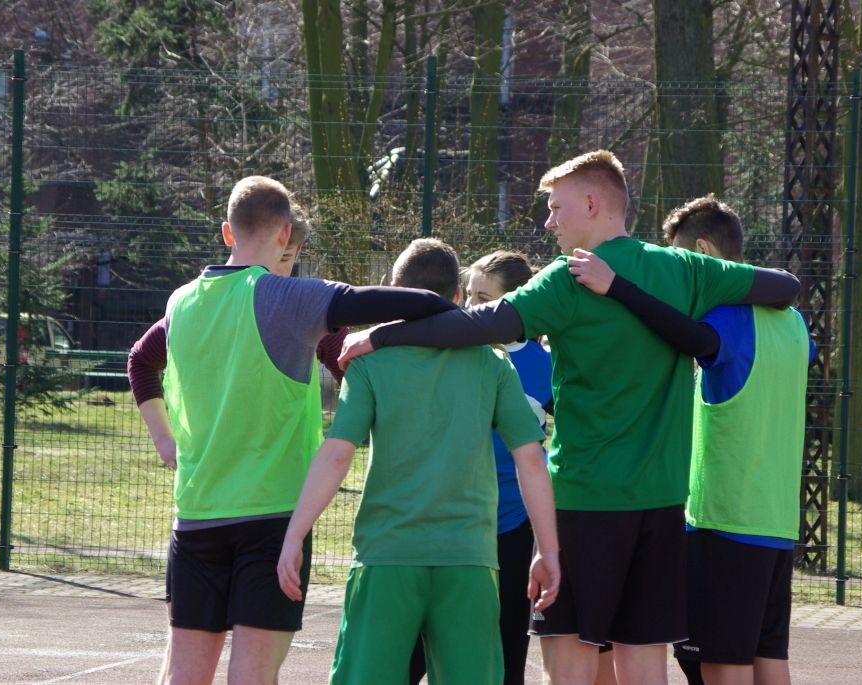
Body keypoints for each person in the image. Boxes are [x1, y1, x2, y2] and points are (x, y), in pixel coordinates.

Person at [337, 150, 801, 685]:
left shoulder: (568, 276)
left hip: (585, 498)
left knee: (570, 659)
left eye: (556, 208)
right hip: (662, 500)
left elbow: (480, 324)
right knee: (644, 661)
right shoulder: (685, 268)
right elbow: (785, 287)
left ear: (592, 203)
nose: (548, 222)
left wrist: (384, 334)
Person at [126, 177, 458, 685]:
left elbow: (139, 360)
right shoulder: (289, 297)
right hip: (273, 520)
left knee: (182, 677)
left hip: (195, 516)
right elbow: (393, 303)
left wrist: (164, 439)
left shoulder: (180, 303)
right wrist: (450, 311)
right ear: (286, 234)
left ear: (227, 232)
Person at [277, 238, 561, 685]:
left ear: (393, 292)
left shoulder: (368, 362)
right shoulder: (494, 364)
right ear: (457, 297)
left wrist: (295, 534)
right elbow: (531, 460)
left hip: (387, 556)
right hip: (469, 558)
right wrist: (547, 549)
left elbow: (336, 454)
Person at [568, 195, 812, 685]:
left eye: (680, 260)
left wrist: (617, 288)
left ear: (702, 251)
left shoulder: (730, 315)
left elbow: (686, 336)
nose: (678, 274)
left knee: (720, 663)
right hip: (777, 522)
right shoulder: (794, 323)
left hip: (725, 520)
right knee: (768, 658)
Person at [406, 250, 555, 685]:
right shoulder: (450, 348)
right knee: (415, 650)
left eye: (485, 298)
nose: (473, 307)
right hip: (449, 522)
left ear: (515, 304)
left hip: (512, 525)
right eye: (469, 295)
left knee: (505, 652)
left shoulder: (546, 365)